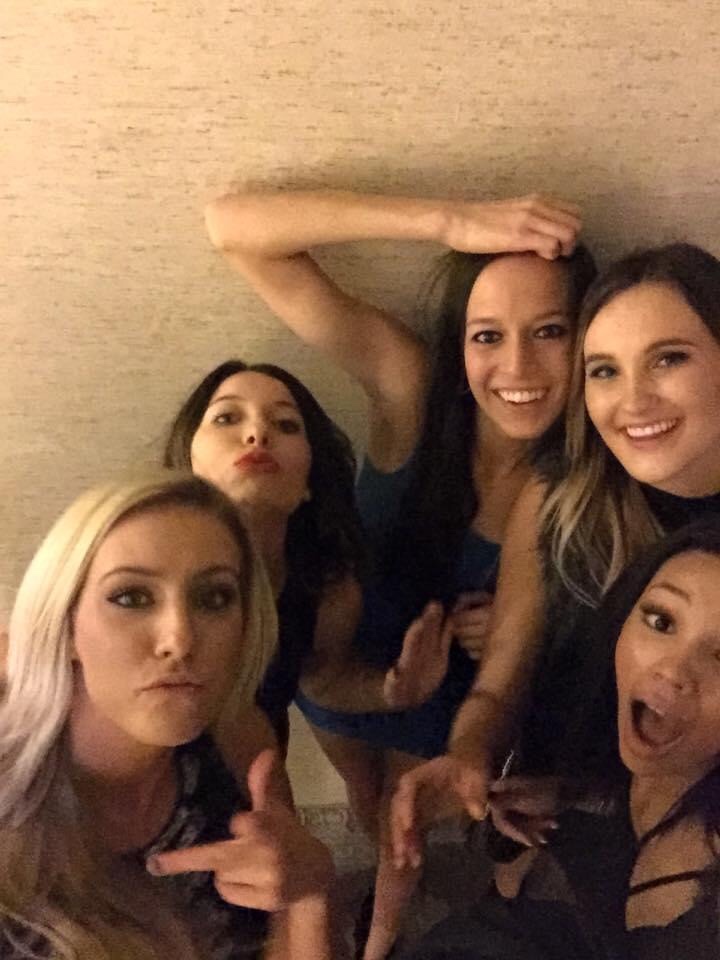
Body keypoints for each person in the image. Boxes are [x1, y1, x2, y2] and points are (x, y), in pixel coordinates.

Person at [203, 188, 596, 959]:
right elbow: (234, 228)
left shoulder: (562, 480)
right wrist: (446, 221)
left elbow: (524, 647)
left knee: (399, 826)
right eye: (487, 335)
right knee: (365, 801)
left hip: (444, 691)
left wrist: (504, 630)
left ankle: (378, 941)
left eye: (550, 331)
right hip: (339, 667)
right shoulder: (412, 391)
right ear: (459, 343)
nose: (517, 367)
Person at [392, 242, 720, 892]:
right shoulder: (560, 499)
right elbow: (500, 685)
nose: (633, 400)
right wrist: (469, 754)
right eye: (604, 371)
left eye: (668, 359)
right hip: (552, 813)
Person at [0, 473, 336, 960]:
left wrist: (309, 895)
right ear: (65, 623)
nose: (179, 639)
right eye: (131, 598)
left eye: (214, 598)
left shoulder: (238, 741)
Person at [406, 519, 720, 959]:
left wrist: (311, 905)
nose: (672, 669)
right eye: (661, 620)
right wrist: (570, 798)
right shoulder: (619, 762)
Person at [164, 360, 453, 778]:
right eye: (227, 417)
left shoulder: (324, 586)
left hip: (257, 786)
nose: (256, 433)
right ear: (187, 458)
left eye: (285, 424)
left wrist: (390, 689)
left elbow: (322, 679)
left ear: (308, 482)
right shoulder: (137, 569)